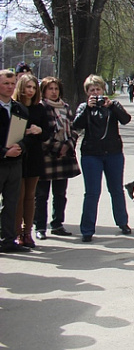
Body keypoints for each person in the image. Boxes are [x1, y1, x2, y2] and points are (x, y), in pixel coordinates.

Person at [72, 74, 132, 242]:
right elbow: (76, 125)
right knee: (92, 192)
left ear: (103, 90)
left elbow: (126, 119)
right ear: (87, 93)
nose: (96, 93)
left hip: (113, 153)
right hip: (91, 154)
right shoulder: (84, 107)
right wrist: (87, 109)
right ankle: (87, 229)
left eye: (98, 89)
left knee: (116, 190)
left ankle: (122, 222)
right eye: (92, 90)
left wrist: (113, 106)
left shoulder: (113, 105)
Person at [34, 76, 79, 239]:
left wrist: (69, 144)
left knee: (60, 193)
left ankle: (57, 223)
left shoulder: (66, 107)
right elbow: (41, 133)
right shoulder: (41, 107)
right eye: (50, 89)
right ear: (44, 91)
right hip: (47, 155)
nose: (54, 92)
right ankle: (40, 227)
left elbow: (74, 128)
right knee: (41, 195)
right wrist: (57, 147)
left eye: (56, 89)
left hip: (65, 155)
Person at [12, 74, 51, 247]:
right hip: (18, 155)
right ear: (20, 88)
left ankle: (28, 232)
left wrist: (39, 130)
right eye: (27, 87)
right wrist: (25, 134)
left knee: (30, 196)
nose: (30, 91)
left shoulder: (39, 109)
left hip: (34, 155)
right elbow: (12, 134)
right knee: (18, 196)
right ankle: (16, 232)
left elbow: (47, 133)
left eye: (34, 88)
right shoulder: (16, 108)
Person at [0, 69, 30, 252]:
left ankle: (8, 240)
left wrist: (21, 147)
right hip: (1, 160)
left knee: (12, 203)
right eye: (5, 84)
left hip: (15, 164)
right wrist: (4, 152)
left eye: (12, 84)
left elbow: (26, 135)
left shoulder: (19, 108)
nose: (10, 87)